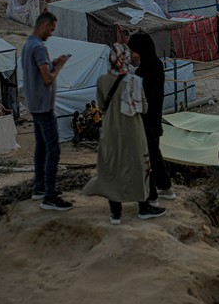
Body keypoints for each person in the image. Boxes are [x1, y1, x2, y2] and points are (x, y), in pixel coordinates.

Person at [83, 43, 166, 224]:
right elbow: (143, 108)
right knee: (138, 168)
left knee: (114, 168)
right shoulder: (134, 81)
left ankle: (115, 214)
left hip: (111, 131)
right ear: (125, 58)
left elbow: (102, 106)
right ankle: (144, 207)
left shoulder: (102, 81)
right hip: (133, 132)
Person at [22, 12, 72, 211]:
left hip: (34, 105)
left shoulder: (28, 45)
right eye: (51, 30)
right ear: (44, 26)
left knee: (41, 148)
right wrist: (58, 66)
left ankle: (39, 188)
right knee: (54, 149)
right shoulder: (39, 47)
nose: (51, 34)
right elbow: (47, 79)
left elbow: (38, 72)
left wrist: (52, 63)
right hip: (44, 106)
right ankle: (50, 196)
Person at [127, 33, 176, 204]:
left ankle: (151, 196)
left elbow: (143, 96)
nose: (131, 55)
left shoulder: (150, 69)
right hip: (150, 122)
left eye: (133, 51)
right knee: (154, 156)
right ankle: (165, 188)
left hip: (146, 122)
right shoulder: (151, 66)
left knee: (146, 158)